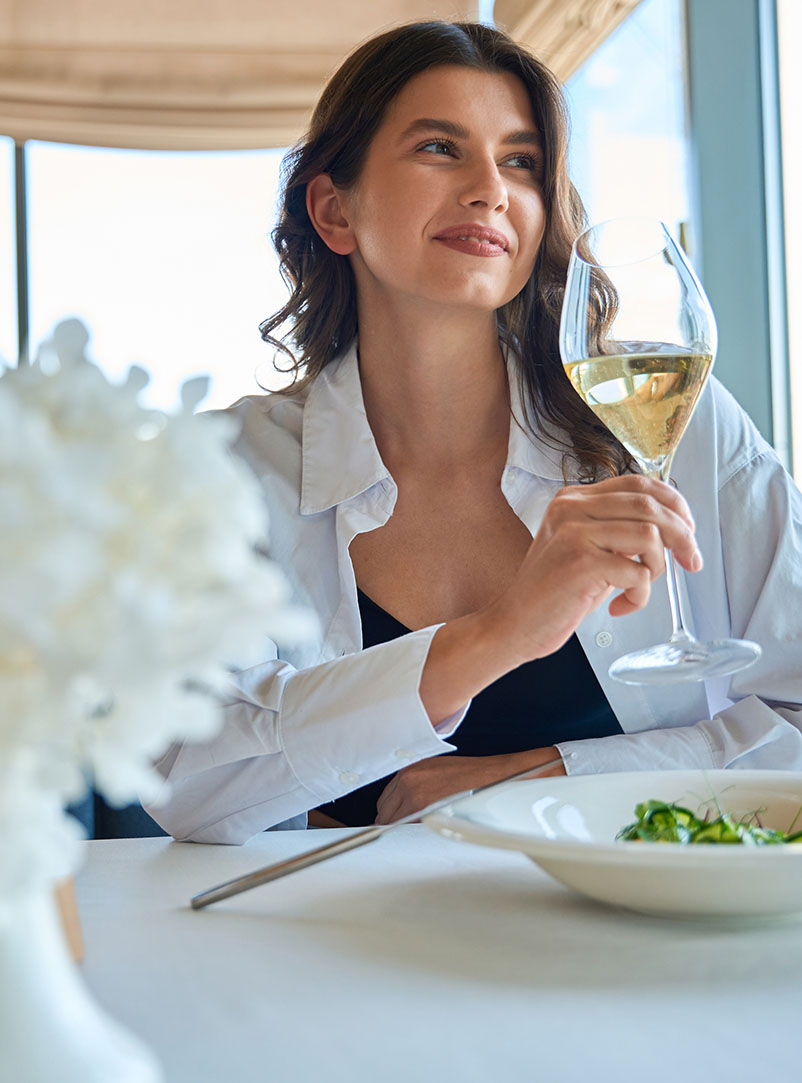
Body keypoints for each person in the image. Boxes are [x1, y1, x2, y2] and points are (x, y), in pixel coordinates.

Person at [145, 21, 802, 844]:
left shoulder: (679, 425)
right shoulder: (226, 469)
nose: (490, 186)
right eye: (439, 148)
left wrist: (538, 777)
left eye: (521, 160)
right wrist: (496, 636)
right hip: (331, 952)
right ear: (333, 208)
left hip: (635, 946)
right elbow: (187, 783)